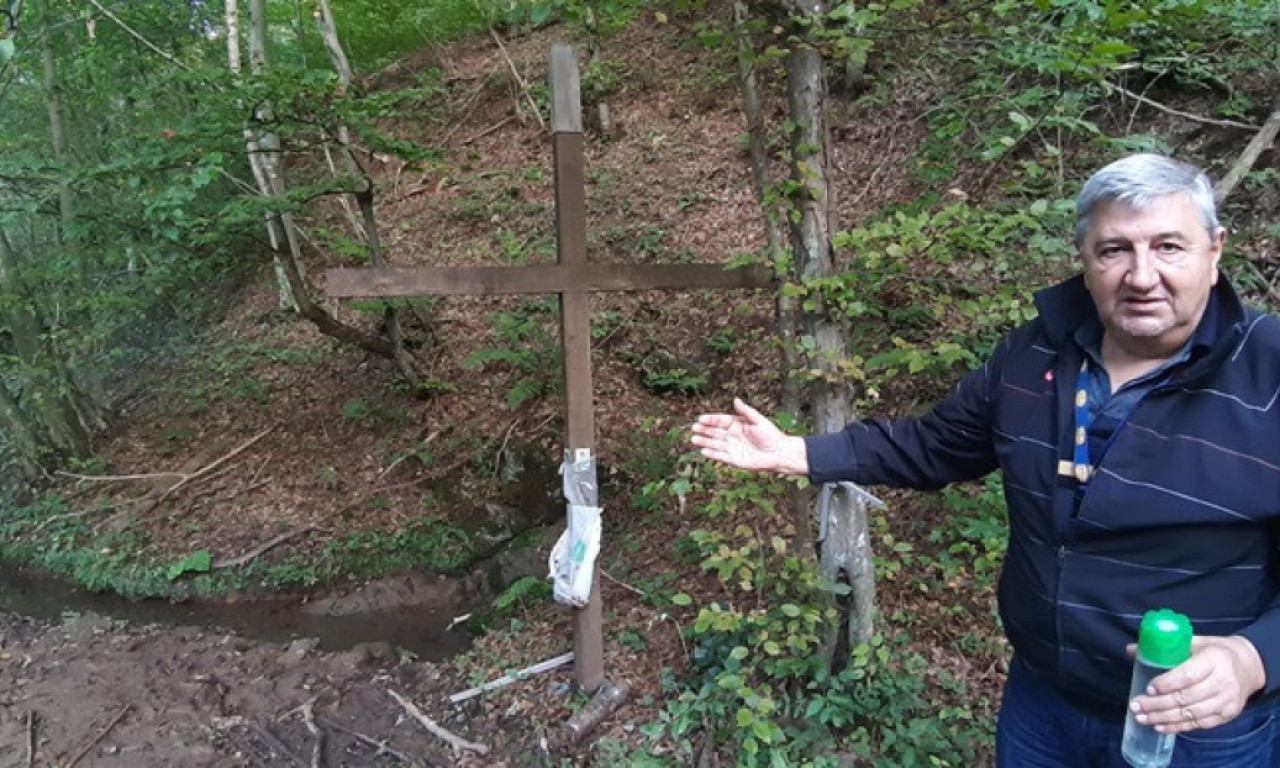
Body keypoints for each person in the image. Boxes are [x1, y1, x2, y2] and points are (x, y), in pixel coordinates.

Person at [690, 153, 1279, 767]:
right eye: (1114, 250)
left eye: (1168, 247)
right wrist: (799, 452)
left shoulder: (1269, 373)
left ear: (1215, 250)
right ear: (1084, 258)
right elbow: (935, 445)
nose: (1141, 275)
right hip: (1044, 703)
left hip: (1199, 728)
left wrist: (1252, 658)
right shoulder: (1038, 351)